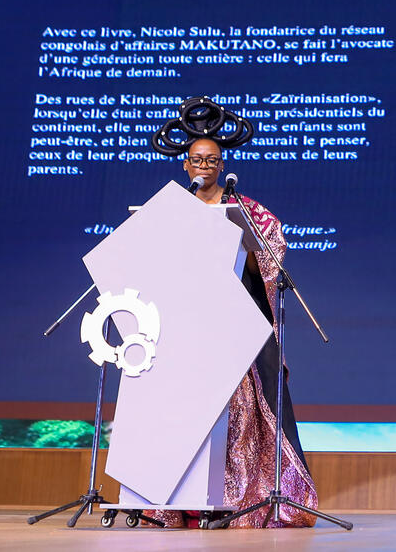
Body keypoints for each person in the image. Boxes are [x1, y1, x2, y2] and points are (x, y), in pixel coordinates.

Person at [149, 99, 318, 527]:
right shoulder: (170, 210)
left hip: (237, 326)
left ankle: (243, 496)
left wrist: (242, 248)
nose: (204, 166)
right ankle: (182, 501)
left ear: (222, 164)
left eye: (212, 159)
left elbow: (272, 251)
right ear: (185, 166)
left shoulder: (246, 209)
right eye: (196, 160)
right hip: (186, 330)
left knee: (241, 417)